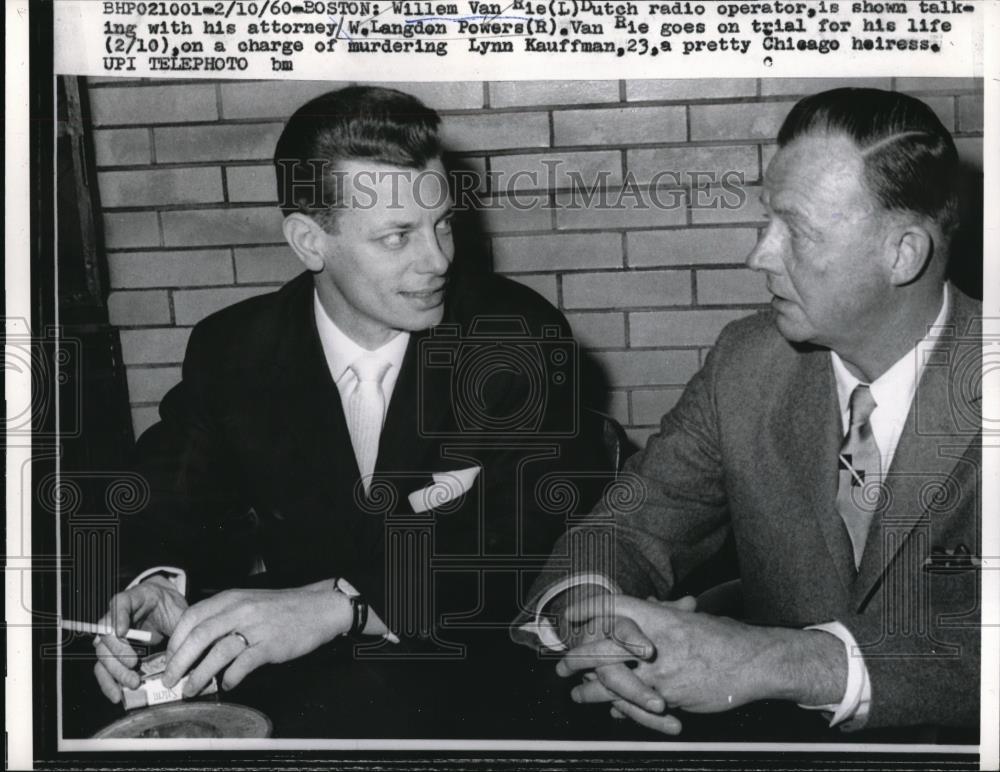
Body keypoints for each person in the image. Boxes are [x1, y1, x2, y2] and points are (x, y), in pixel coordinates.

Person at [91, 86, 602, 734]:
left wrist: (346, 603)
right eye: (398, 237)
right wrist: (155, 586)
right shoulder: (233, 352)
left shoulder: (517, 339)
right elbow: (158, 501)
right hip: (308, 697)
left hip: (484, 688)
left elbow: (521, 543)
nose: (439, 258)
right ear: (310, 242)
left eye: (443, 222)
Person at [515, 88, 981, 738]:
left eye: (800, 232)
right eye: (769, 221)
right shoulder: (748, 362)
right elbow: (628, 524)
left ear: (902, 254)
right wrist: (597, 616)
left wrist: (772, 661)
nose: (760, 254)